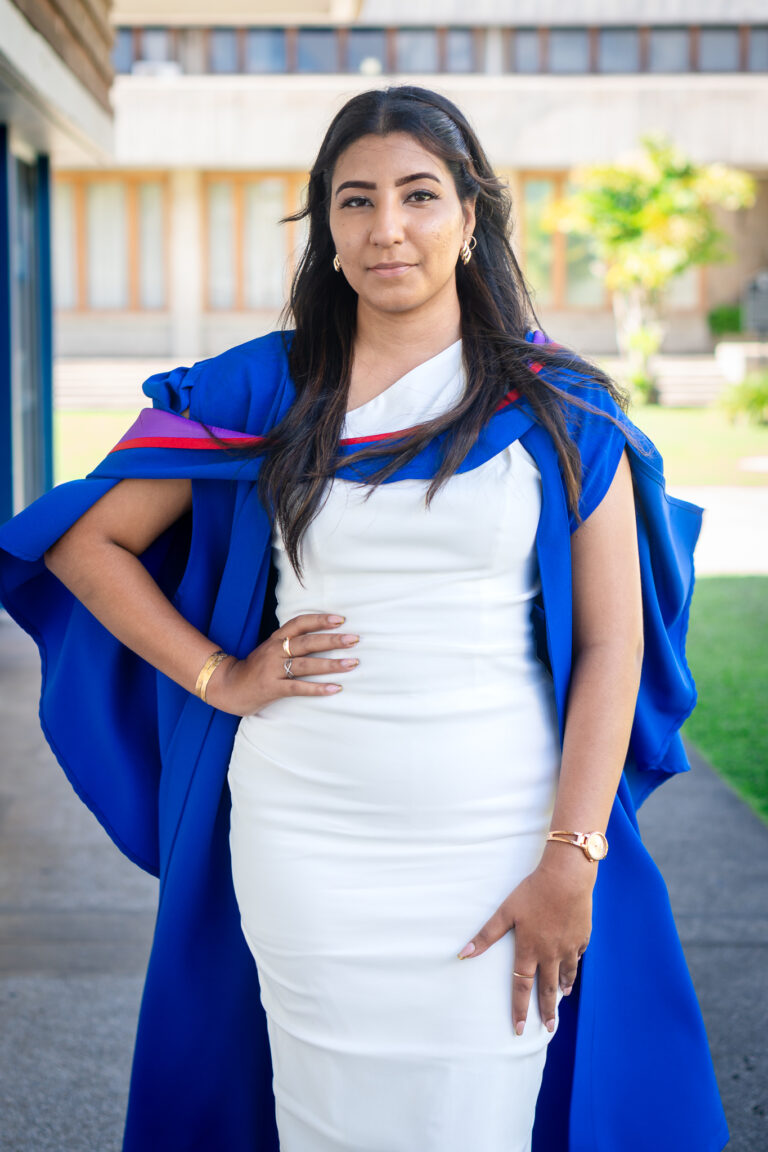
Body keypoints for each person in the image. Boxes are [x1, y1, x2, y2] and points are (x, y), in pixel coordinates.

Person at [0, 86, 728, 1152]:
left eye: (419, 196)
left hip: (498, 831)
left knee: (480, 1116)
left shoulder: (560, 406)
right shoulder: (266, 389)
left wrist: (572, 857)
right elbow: (81, 542)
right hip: (308, 838)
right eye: (356, 201)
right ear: (328, 231)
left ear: (471, 217)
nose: (388, 227)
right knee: (325, 1119)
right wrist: (218, 676)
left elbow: (612, 643)